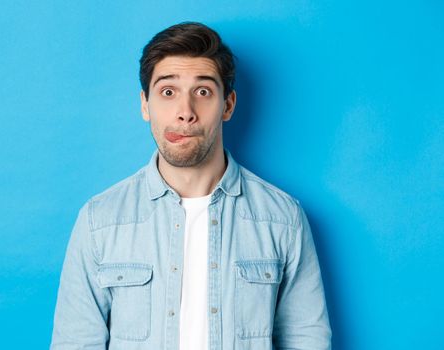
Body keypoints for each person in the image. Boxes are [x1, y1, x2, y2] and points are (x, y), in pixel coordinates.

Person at [50, 21, 331, 350]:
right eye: (168, 92)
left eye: (203, 92)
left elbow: (307, 340)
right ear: (145, 104)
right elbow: (74, 343)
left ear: (227, 105)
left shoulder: (282, 218)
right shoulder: (100, 221)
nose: (185, 112)